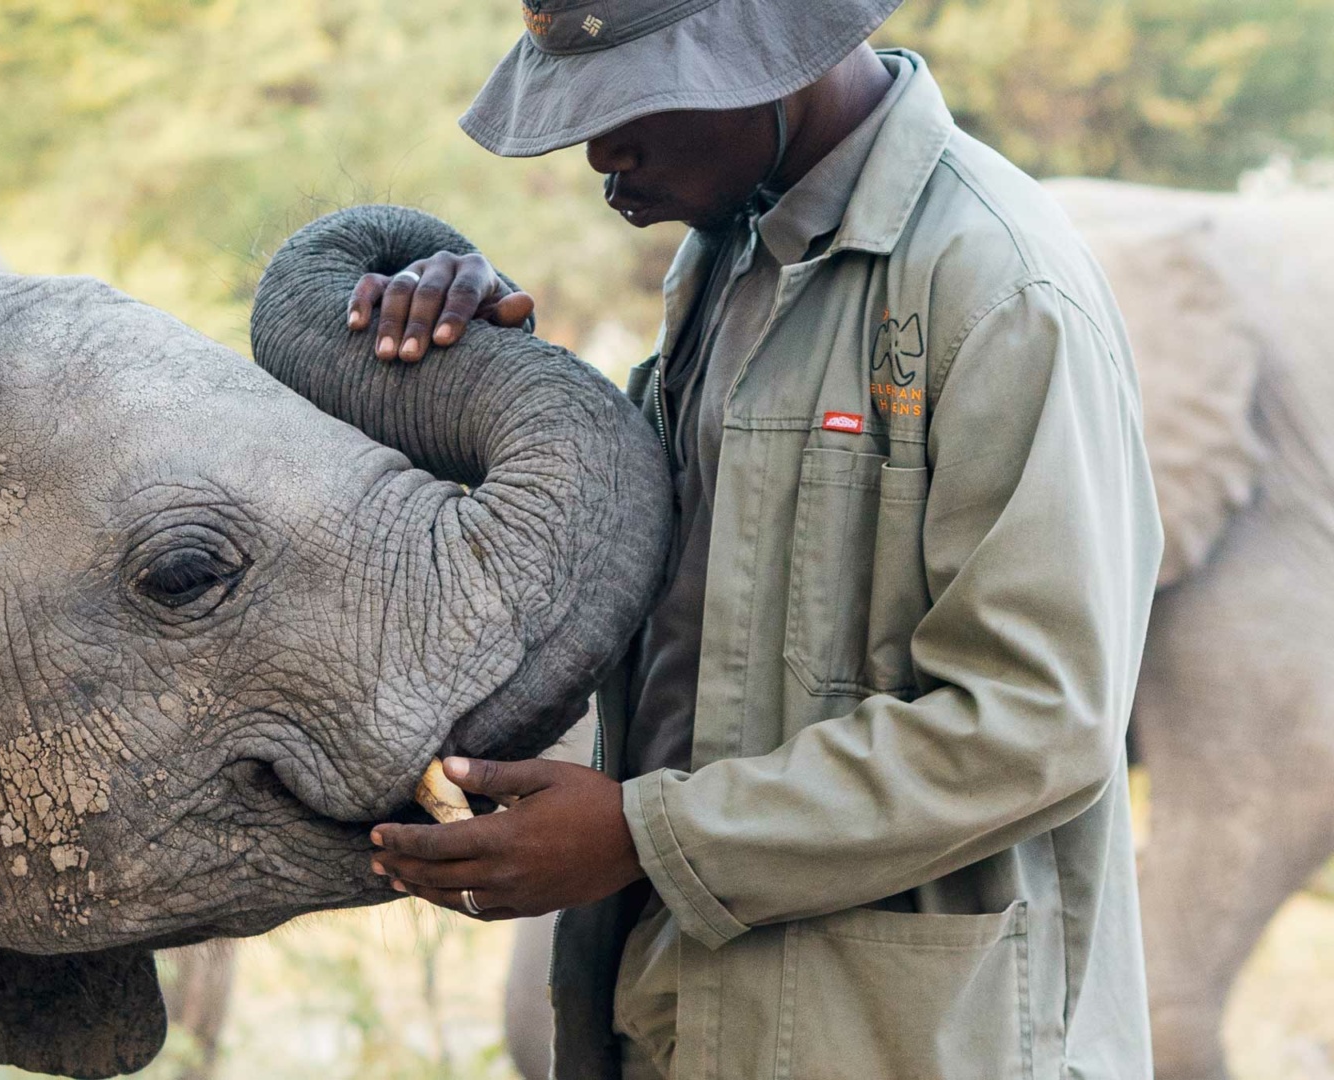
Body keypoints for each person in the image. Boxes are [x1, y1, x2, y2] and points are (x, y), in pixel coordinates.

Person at [358, 2, 1164, 1077]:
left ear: (782, 62)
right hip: (684, 1016)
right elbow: (690, 599)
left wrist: (644, 837)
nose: (603, 148)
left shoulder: (995, 285)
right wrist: (484, 378)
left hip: (910, 1037)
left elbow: (1034, 720)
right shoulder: (728, 258)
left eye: (638, 100)